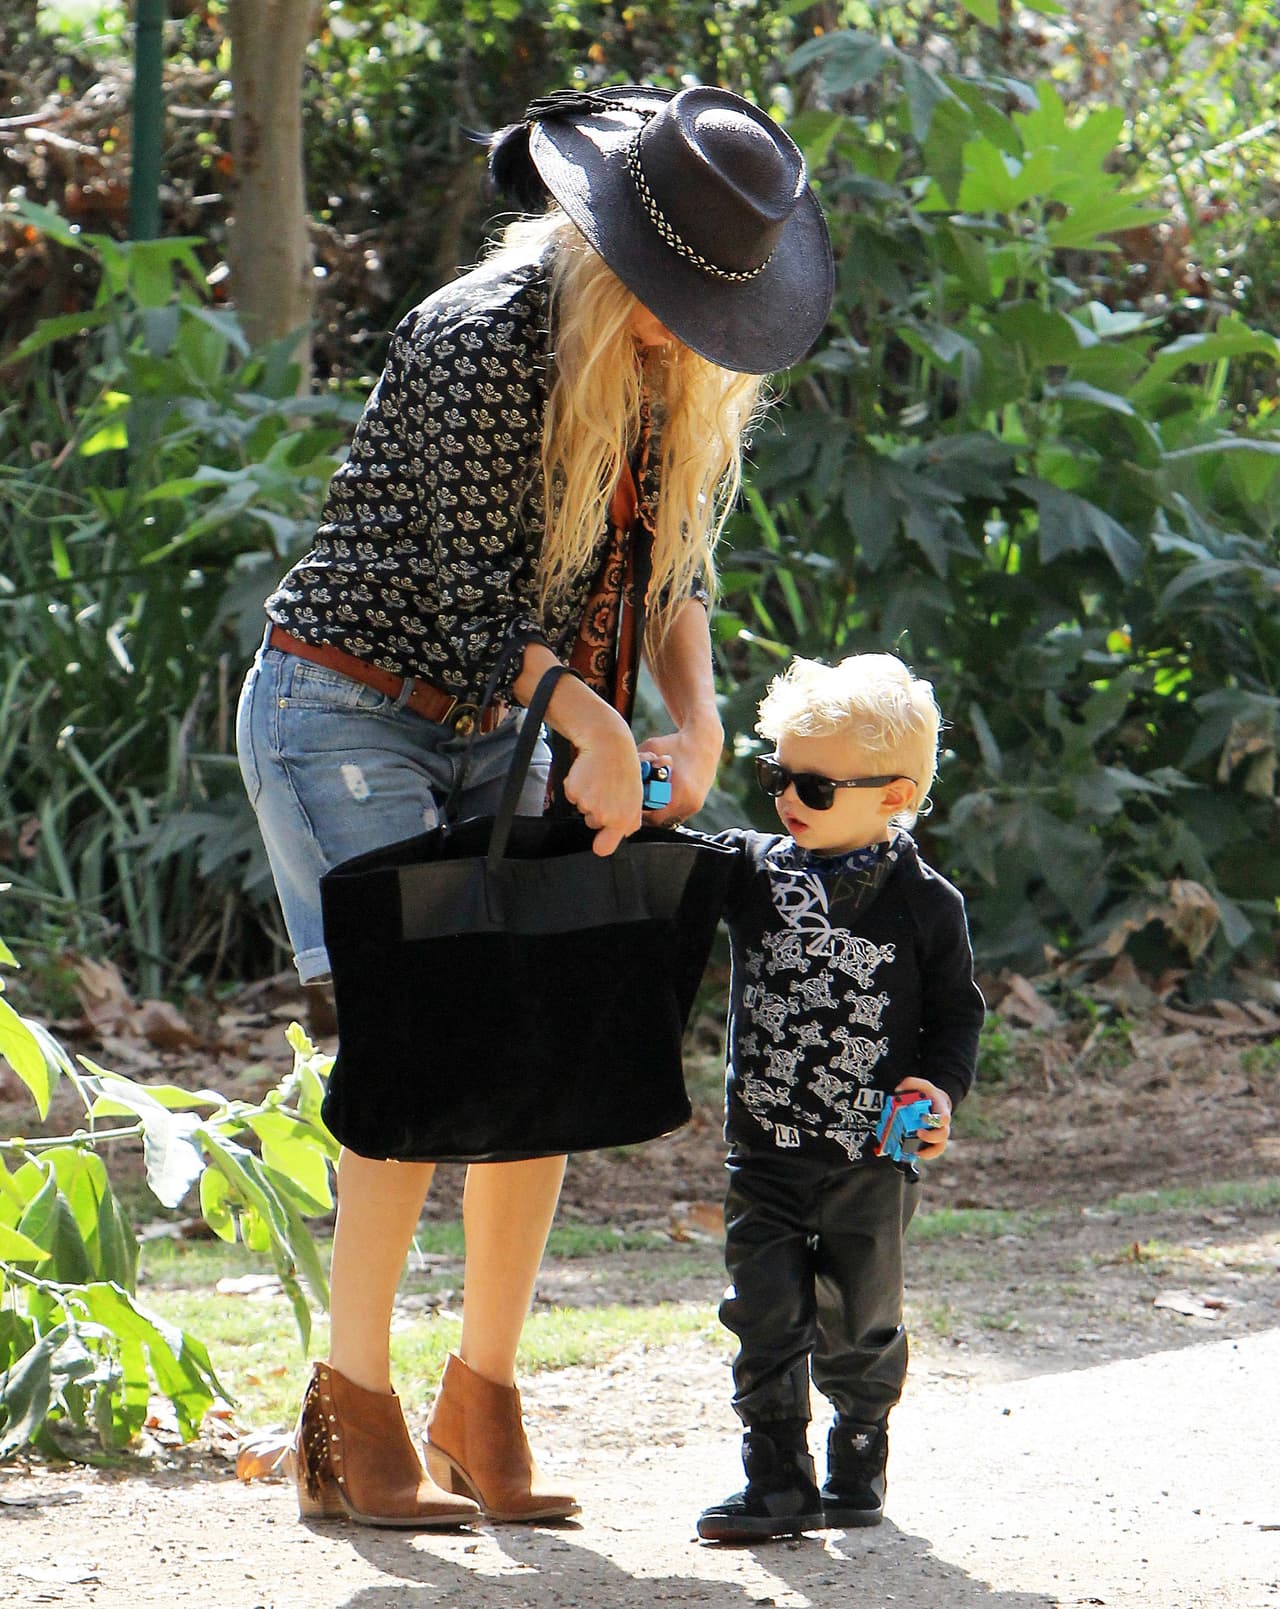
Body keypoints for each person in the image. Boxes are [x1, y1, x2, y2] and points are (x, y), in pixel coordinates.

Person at [234, 83, 834, 1529]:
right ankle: (350, 1415)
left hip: (514, 722)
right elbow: (457, 596)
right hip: (350, 710)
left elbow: (672, 569)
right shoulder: (477, 335)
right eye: (670, 290)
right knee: (414, 1054)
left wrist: (688, 722)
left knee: (544, 1034)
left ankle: (480, 1400)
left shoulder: (672, 368)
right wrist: (591, 722)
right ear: (607, 243)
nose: (685, 324)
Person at [696, 652, 985, 1543]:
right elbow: (666, 861)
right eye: (776, 774)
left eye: (814, 786)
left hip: (872, 1156)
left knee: (862, 1312)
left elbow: (955, 1019)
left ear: (893, 796)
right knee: (763, 1308)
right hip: (767, 1148)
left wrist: (938, 1091)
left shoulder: (926, 904)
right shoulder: (753, 871)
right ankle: (776, 1474)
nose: (788, 797)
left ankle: (857, 1449)